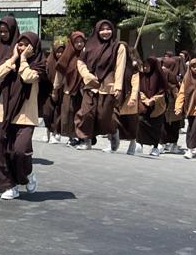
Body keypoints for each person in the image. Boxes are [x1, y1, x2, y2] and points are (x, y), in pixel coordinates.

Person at [0, 31, 43, 199]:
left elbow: (28, 78)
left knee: (20, 152)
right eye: (20, 44)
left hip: (25, 115)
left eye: (27, 45)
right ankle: (9, 186)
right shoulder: (10, 61)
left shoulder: (39, 64)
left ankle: (26, 175)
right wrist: (13, 58)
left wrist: (24, 60)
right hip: (4, 114)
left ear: (34, 47)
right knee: (1, 152)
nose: (23, 48)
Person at [75, 20, 128, 151]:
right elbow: (80, 62)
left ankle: (113, 133)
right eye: (102, 29)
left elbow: (120, 67)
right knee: (86, 113)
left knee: (105, 117)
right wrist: (87, 75)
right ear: (97, 31)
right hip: (91, 85)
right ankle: (86, 141)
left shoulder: (118, 47)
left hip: (108, 86)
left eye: (108, 29)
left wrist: (118, 86)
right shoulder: (89, 46)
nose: (105, 32)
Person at [54, 31, 86, 146]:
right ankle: (71, 136)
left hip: (83, 90)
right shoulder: (67, 56)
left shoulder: (86, 55)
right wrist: (55, 89)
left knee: (82, 114)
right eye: (76, 42)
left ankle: (82, 137)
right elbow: (59, 73)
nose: (79, 44)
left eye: (81, 41)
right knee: (69, 113)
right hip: (68, 89)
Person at [134, 57, 168, 156]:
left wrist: (153, 99)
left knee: (156, 127)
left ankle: (155, 147)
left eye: (147, 66)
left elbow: (162, 92)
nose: (145, 68)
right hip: (143, 106)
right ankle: (139, 144)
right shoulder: (141, 76)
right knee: (140, 122)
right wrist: (145, 99)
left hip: (157, 107)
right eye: (144, 66)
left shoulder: (160, 77)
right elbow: (137, 89)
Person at [159, 51, 186, 154]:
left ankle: (168, 144)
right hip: (168, 103)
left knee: (171, 125)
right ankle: (166, 144)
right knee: (167, 124)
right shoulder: (167, 74)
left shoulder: (172, 75)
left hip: (171, 104)